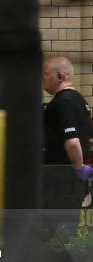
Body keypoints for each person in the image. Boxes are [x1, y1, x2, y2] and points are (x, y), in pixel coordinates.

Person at [43, 56, 93, 185]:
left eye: (46, 73)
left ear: (60, 77)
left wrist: (79, 169)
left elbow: (72, 142)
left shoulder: (63, 102)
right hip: (70, 179)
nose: (43, 77)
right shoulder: (80, 100)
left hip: (61, 178)